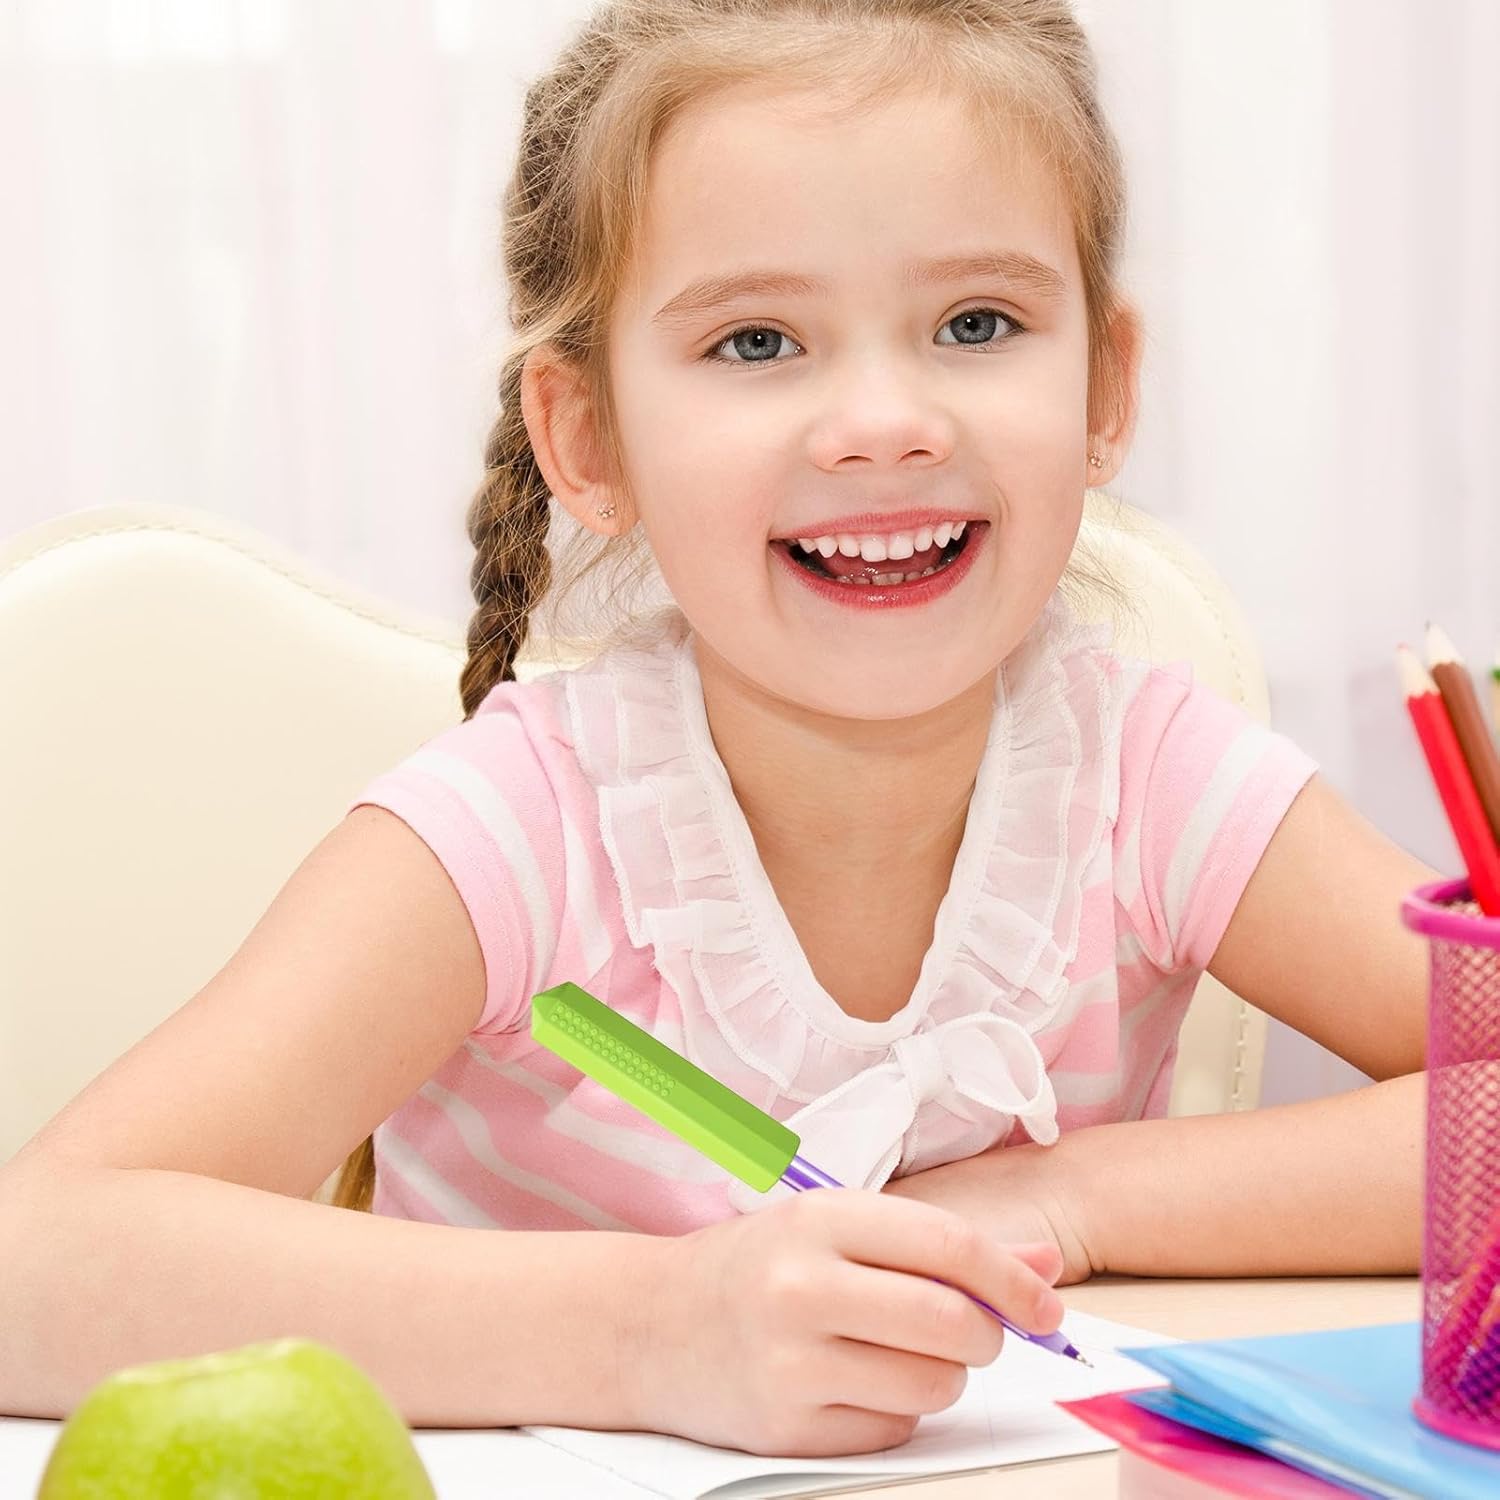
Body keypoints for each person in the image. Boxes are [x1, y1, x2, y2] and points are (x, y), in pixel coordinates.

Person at [0, 0, 1431, 1460]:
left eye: (976, 324)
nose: (885, 421)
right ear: (588, 438)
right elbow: (34, 1262)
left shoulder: (1149, 776)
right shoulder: (517, 831)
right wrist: (650, 1331)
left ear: (1105, 388)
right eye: (757, 341)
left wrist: (1072, 1195)